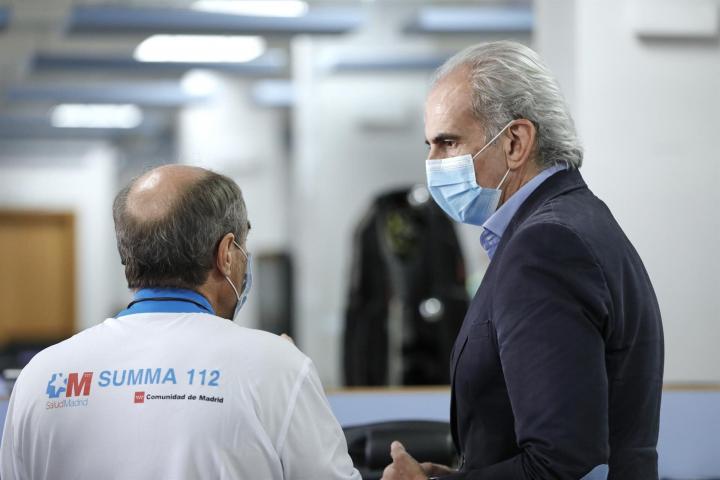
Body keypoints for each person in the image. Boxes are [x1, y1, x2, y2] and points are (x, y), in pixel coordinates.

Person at [382, 41, 664, 480]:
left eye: (448, 142)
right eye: (429, 145)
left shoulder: (546, 248)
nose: (431, 162)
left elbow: (561, 465)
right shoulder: (577, 221)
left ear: (515, 142)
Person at [0, 165, 360, 480]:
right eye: (243, 246)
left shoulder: (41, 375)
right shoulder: (277, 366)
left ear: (128, 253)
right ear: (226, 253)